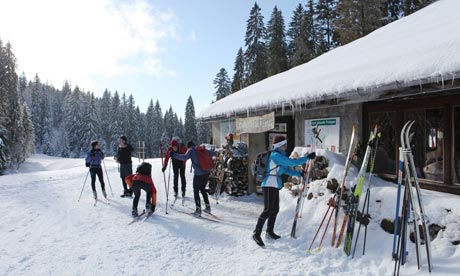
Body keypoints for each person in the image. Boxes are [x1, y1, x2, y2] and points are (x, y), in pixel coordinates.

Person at [252, 135, 316, 247]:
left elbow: (286, 170)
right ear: (279, 145)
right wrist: (307, 158)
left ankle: (269, 231)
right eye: (284, 145)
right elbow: (293, 163)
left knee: (275, 209)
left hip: (274, 185)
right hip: (268, 184)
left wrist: (299, 173)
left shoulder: (279, 157)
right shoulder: (275, 155)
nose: (286, 147)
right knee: (267, 210)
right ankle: (256, 234)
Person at [170, 141, 215, 216]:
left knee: (196, 191)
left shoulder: (191, 150)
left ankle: (198, 210)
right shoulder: (201, 149)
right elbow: (213, 153)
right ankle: (208, 207)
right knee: (203, 189)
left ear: (188, 146)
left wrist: (174, 155)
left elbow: (184, 157)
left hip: (198, 174)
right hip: (206, 173)